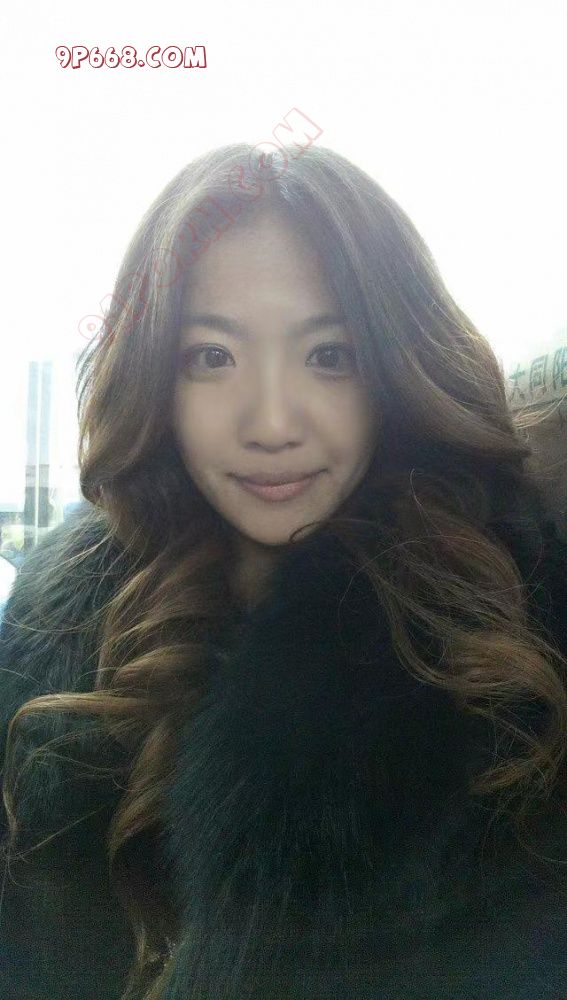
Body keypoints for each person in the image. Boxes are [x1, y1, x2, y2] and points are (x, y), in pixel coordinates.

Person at [1, 142, 566, 1000]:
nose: (270, 424)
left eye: (329, 355)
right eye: (212, 358)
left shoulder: (511, 635)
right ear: (156, 378)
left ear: (392, 370)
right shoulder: (58, 631)